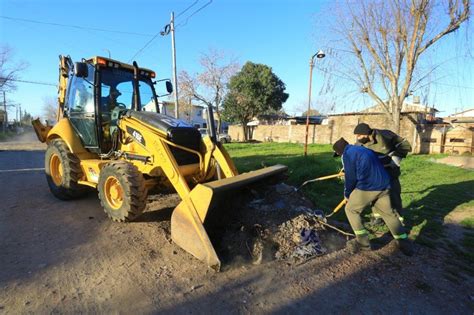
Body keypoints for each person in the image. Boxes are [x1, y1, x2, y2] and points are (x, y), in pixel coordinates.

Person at [332, 137, 413, 255]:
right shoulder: (364, 149)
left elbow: (351, 178)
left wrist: (347, 194)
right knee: (388, 213)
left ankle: (363, 243)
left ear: (339, 151)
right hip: (385, 184)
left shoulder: (347, 154)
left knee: (350, 209)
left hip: (369, 186)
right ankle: (404, 242)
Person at [353, 123, 412, 225]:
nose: (357, 138)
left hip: (389, 171)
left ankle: (399, 221)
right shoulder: (360, 143)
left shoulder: (385, 135)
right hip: (374, 175)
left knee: (394, 196)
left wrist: (395, 159)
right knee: (375, 196)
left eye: (359, 135)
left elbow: (405, 145)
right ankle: (378, 218)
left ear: (367, 134)